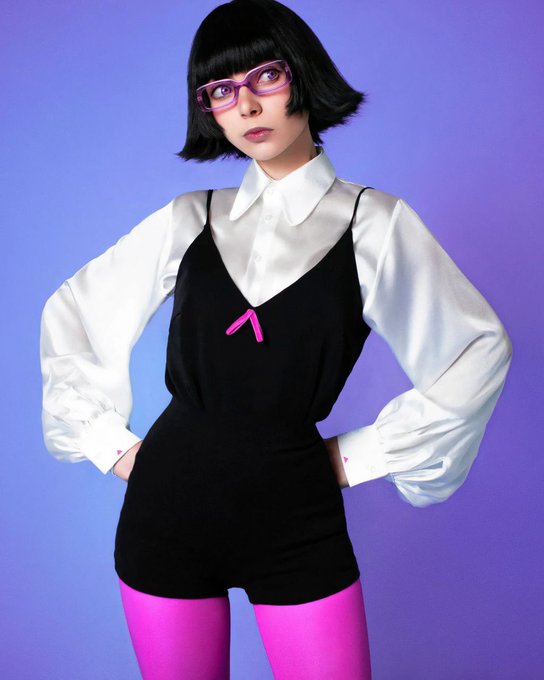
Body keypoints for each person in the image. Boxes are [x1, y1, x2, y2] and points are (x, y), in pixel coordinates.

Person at [39, 0, 513, 678]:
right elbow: (74, 315)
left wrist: (358, 457)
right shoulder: (189, 219)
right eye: (220, 89)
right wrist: (110, 447)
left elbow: (476, 351)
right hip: (164, 515)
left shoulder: (374, 224)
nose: (246, 105)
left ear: (302, 75)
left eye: (265, 75)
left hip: (296, 519)